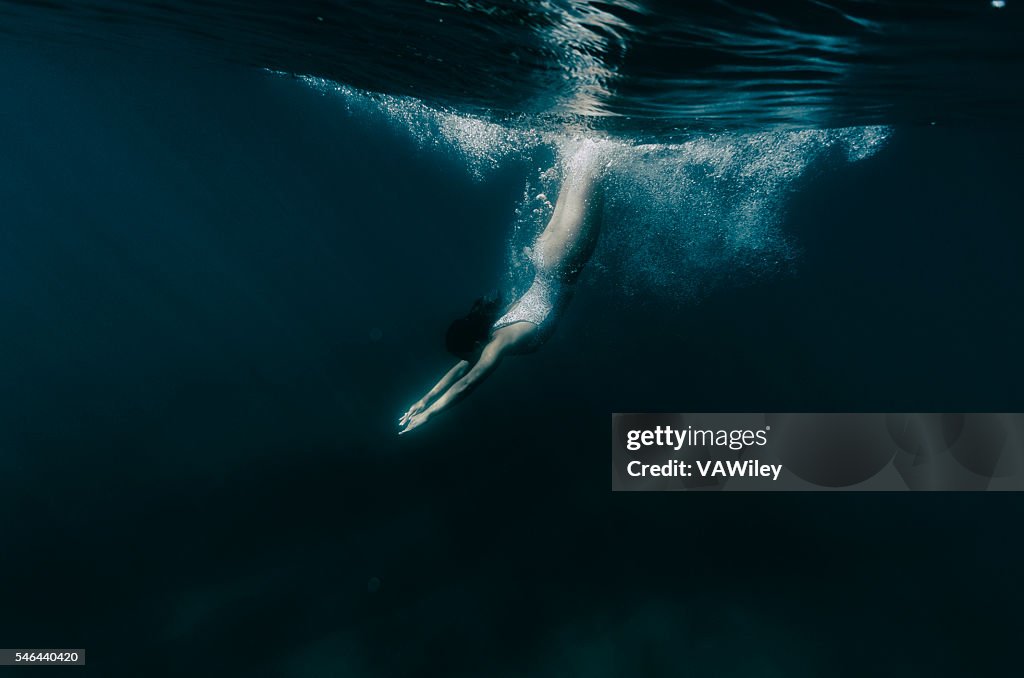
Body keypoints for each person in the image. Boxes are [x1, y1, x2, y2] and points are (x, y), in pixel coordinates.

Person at [398, 141, 607, 434]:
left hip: (564, 261)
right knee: (579, 167)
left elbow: (469, 382)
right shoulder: (492, 332)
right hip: (546, 256)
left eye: (470, 355)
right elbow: (462, 369)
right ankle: (579, 131)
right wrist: (424, 399)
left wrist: (429, 415)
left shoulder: (499, 341)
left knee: (593, 167)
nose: (468, 362)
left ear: (476, 345)